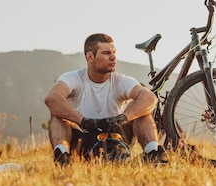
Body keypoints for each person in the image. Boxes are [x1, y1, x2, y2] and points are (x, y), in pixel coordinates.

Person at [44, 33, 168, 166]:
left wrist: (123, 118)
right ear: (90, 57)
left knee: (142, 111)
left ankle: (153, 154)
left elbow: (149, 97)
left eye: (114, 52)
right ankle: (62, 157)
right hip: (84, 140)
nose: (113, 57)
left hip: (118, 137)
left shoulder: (120, 80)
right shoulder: (74, 78)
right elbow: (52, 98)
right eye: (106, 53)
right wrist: (83, 121)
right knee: (57, 115)